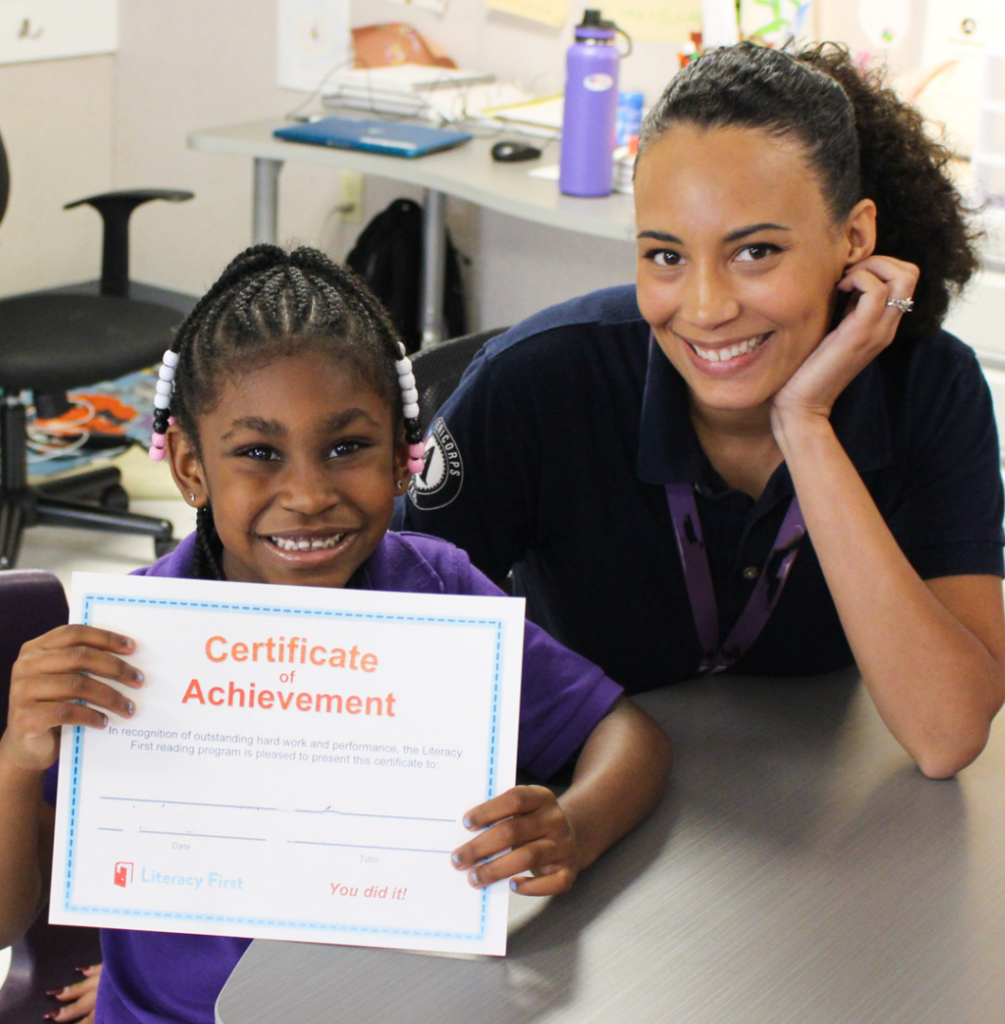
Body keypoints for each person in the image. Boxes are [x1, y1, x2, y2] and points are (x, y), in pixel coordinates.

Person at [0, 245, 671, 1024]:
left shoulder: (440, 594)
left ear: (401, 455)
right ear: (188, 467)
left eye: (347, 447)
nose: (310, 494)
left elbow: (629, 736)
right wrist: (17, 762)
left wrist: (573, 827)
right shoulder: (122, 652)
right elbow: (10, 920)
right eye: (257, 453)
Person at [404, 41, 1005, 780]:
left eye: (755, 252)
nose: (705, 308)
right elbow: (386, 647)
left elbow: (945, 734)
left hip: (808, 816)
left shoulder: (930, 390)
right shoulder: (537, 383)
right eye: (665, 256)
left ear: (854, 238)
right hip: (584, 791)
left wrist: (806, 424)